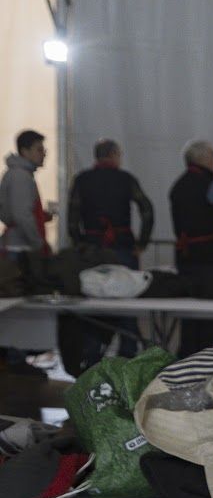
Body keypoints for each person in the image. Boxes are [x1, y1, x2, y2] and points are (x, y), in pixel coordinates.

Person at [66, 138, 155, 365]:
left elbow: (72, 217)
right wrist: (142, 243)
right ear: (114, 154)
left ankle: (91, 358)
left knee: (93, 304)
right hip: (123, 248)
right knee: (127, 303)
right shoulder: (126, 179)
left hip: (92, 250)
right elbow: (147, 210)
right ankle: (127, 357)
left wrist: (79, 243)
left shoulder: (82, 180)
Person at [169, 140, 213, 355]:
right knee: (211, 314)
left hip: (185, 259)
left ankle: (186, 357)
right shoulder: (211, 185)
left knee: (189, 312)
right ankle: (210, 359)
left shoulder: (177, 186)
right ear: (204, 160)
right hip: (212, 259)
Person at [0, 129, 51, 263]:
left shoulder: (20, 174)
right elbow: (22, 215)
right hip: (19, 249)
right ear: (25, 151)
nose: (43, 154)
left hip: (18, 246)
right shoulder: (20, 176)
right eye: (39, 150)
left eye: (43, 150)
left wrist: (41, 216)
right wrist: (38, 243)